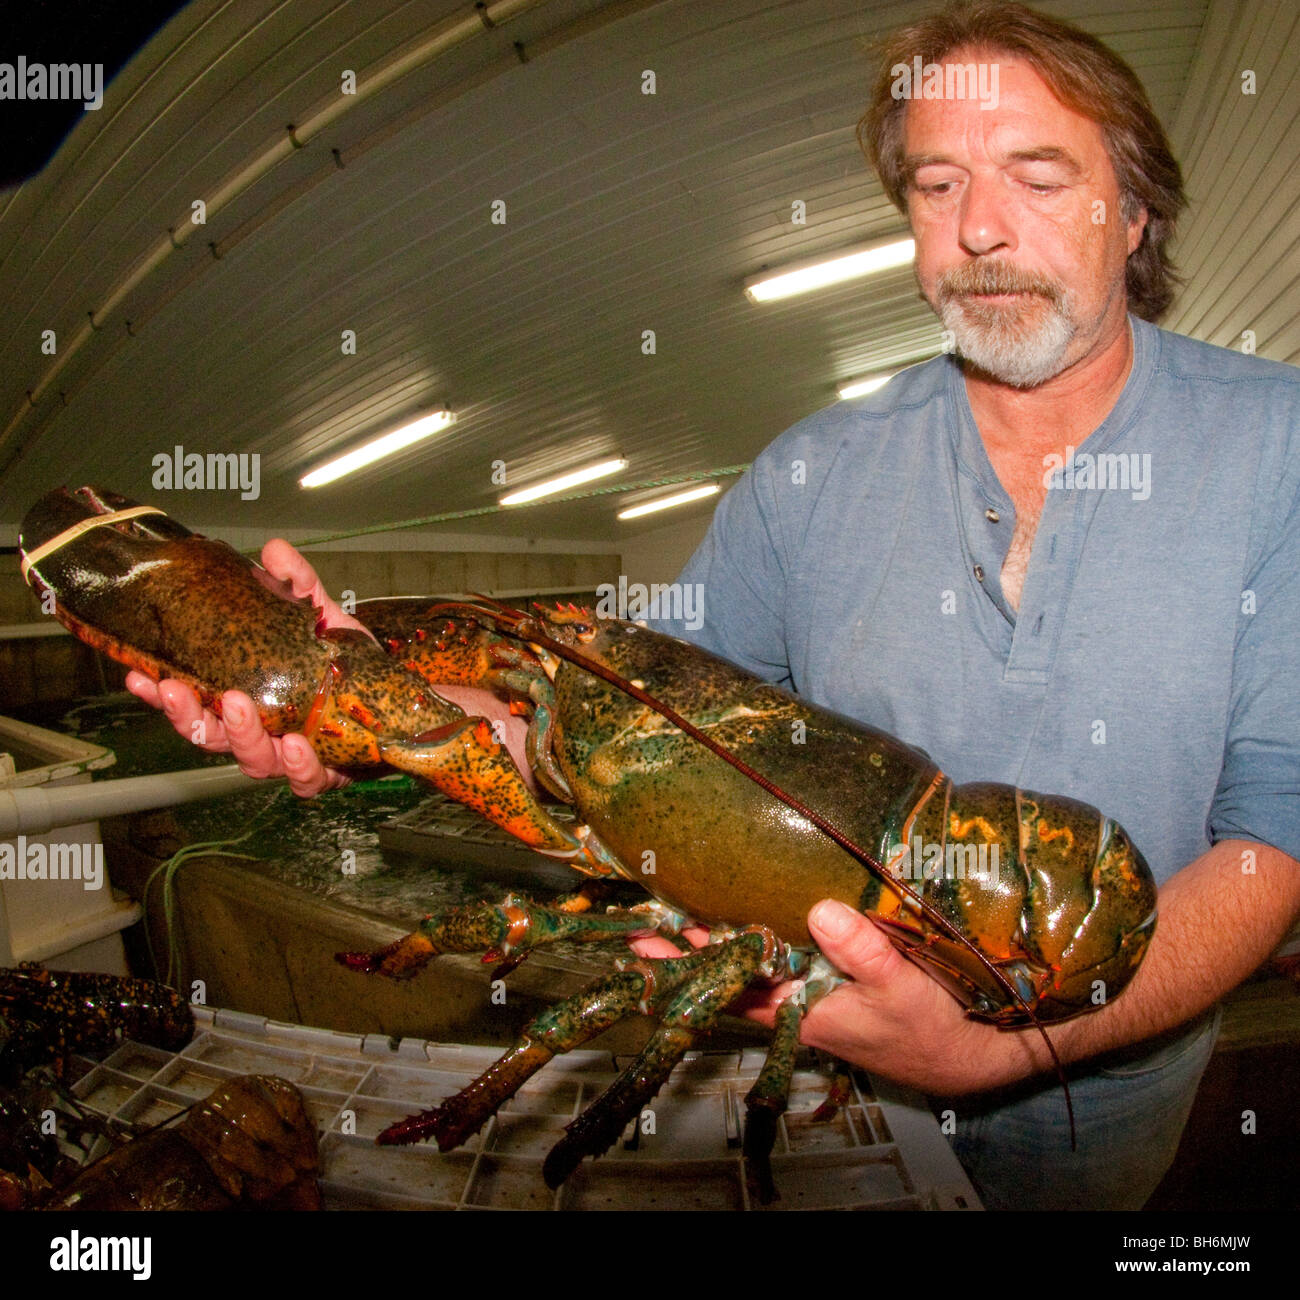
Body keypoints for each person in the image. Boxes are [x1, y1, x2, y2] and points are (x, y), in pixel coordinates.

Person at [132, 2, 1300, 1210]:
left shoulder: (1280, 444)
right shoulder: (805, 472)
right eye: (937, 184)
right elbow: (611, 728)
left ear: (1138, 207)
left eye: (1038, 176)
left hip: (1106, 1094)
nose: (982, 229)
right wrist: (356, 695)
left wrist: (1011, 1048)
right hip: (844, 1089)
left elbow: (1280, 834)